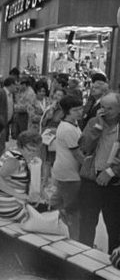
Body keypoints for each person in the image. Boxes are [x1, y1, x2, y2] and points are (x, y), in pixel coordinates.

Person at [78, 92, 120, 253]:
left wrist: (111, 172)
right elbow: (84, 147)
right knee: (87, 223)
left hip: (114, 182)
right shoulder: (94, 122)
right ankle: (82, 259)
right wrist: (97, 127)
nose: (104, 111)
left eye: (109, 108)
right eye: (102, 107)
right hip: (91, 179)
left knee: (115, 226)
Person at [50, 95, 84, 240]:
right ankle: (74, 240)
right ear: (67, 112)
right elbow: (78, 155)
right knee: (72, 210)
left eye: (80, 108)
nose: (80, 112)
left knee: (59, 203)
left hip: (64, 171)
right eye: (75, 110)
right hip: (70, 174)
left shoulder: (73, 125)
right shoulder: (68, 129)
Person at [0, 131, 42, 222]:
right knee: (49, 222)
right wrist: (19, 195)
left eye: (35, 151)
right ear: (21, 146)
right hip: (9, 209)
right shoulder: (15, 161)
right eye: (30, 150)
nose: (33, 154)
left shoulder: (12, 153)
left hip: (2, 205)